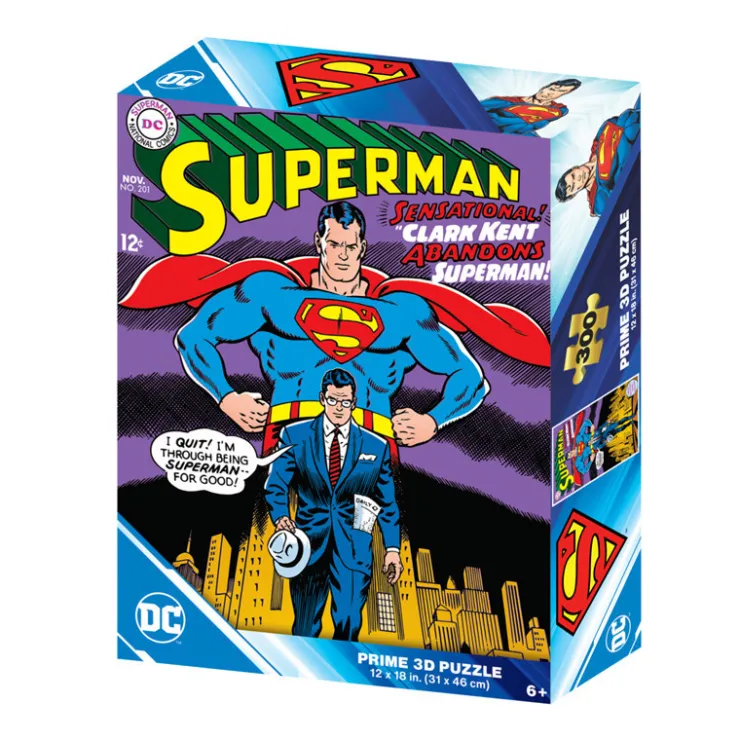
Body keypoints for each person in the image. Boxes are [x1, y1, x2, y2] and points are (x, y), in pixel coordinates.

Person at [264, 368, 401, 640]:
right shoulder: (295, 436)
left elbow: (387, 503)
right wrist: (281, 517)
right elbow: (276, 483)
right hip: (307, 547)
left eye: (345, 401)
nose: (339, 407)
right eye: (333, 400)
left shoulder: (376, 446)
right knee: (304, 629)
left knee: (349, 625)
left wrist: (392, 549)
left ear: (354, 402)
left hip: (354, 549)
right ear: (322, 399)